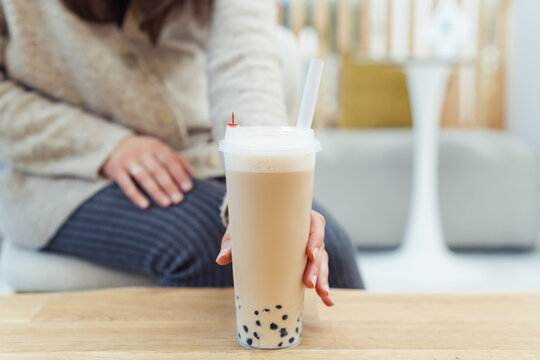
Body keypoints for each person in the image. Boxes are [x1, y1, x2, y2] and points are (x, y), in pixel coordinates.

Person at [0, 0, 363, 304]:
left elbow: (244, 66)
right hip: (64, 172)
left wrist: (264, 199)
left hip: (200, 156)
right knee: (206, 250)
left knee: (327, 248)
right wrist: (105, 146)